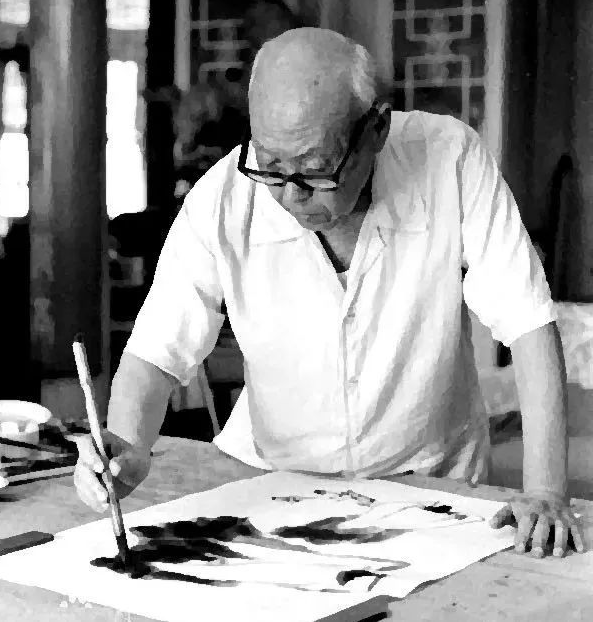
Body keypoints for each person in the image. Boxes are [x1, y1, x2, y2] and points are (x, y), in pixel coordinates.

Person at [75, 27, 584, 559]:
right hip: (272, 487)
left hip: (431, 486)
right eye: (271, 167)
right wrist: (127, 445)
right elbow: (156, 351)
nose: (291, 195)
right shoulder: (223, 198)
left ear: (376, 129)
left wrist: (546, 492)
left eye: (315, 172)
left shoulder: (450, 159)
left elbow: (528, 322)